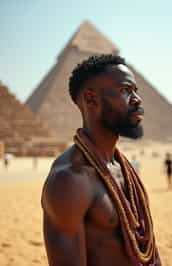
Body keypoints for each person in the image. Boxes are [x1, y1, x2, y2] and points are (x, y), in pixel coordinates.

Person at [41, 55, 162, 266]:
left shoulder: (126, 170)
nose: (137, 99)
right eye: (126, 90)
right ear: (91, 99)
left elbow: (150, 251)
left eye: (136, 90)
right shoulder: (70, 180)